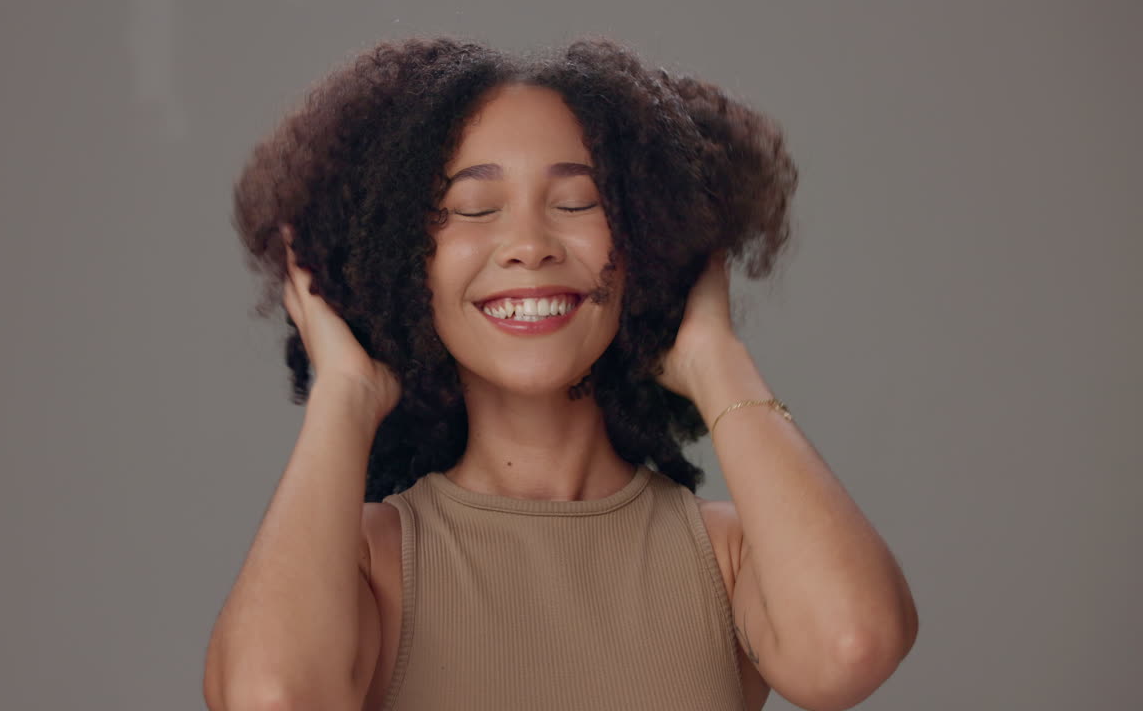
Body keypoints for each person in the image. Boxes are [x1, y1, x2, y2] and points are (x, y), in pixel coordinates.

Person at [204, 36, 918, 711]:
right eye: (473, 208)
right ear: (399, 264)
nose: (528, 245)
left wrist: (716, 360)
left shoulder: (727, 557)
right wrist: (345, 394)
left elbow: (851, 648)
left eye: (577, 203)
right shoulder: (366, 560)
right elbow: (273, 698)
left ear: (644, 237)